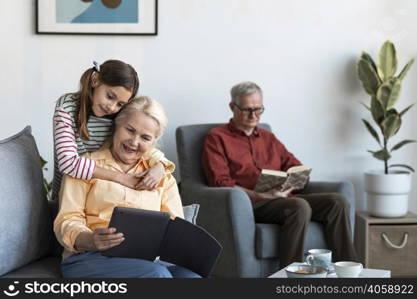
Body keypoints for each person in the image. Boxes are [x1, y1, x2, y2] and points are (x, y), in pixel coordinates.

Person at [202, 81, 357, 268]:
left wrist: (289, 184)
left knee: (337, 201)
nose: (254, 116)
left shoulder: (268, 138)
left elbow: (296, 167)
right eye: (247, 110)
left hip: (283, 199)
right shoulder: (217, 137)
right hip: (252, 205)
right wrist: (259, 195)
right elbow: (219, 182)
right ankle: (291, 275)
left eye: (258, 110)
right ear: (232, 107)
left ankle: (349, 271)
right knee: (298, 206)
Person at [54, 96, 200, 278]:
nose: (134, 141)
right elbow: (67, 220)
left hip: (150, 259)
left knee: (191, 277)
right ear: (116, 125)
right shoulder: (85, 167)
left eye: (145, 137)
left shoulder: (161, 176)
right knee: (157, 275)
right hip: (91, 256)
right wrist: (91, 240)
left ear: (153, 142)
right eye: (130, 130)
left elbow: (176, 224)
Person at [52, 60, 174, 202]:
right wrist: (122, 178)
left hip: (104, 196)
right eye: (110, 96)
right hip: (70, 197)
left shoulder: (118, 114)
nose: (112, 107)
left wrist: (161, 165)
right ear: (95, 80)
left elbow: (141, 139)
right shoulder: (67, 107)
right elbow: (68, 163)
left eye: (120, 104)